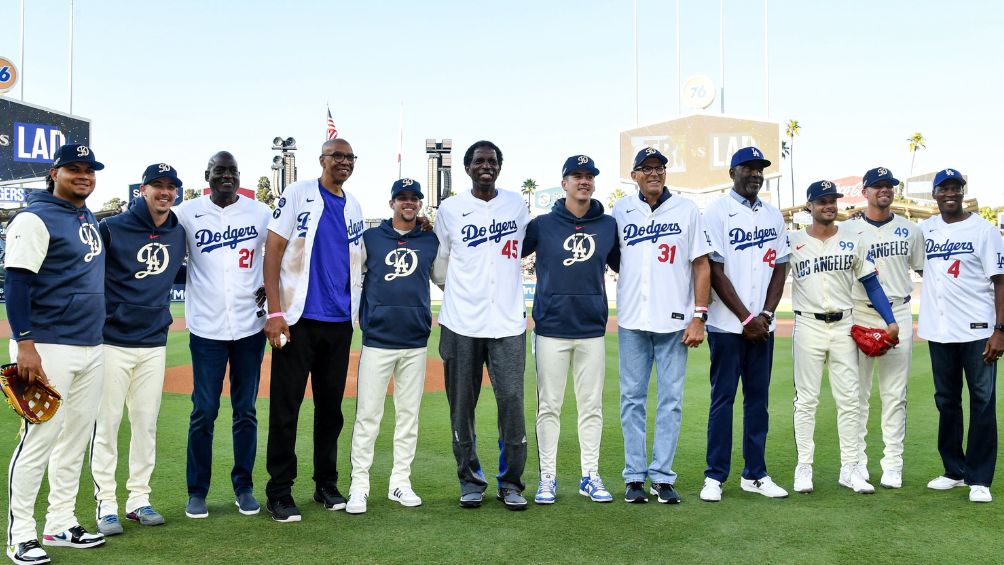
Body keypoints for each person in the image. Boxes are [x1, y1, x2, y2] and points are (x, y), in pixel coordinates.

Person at [4, 144, 107, 564]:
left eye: (89, 170)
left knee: (75, 439)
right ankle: (22, 534)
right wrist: (25, 343)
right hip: (46, 347)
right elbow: (16, 283)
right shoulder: (34, 217)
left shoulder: (86, 216)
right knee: (39, 438)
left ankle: (61, 521)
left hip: (90, 344)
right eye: (74, 169)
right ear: (54, 172)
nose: (83, 175)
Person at [262, 139, 365, 522]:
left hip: (339, 323)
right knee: (286, 408)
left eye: (349, 157)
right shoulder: (298, 193)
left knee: (330, 411)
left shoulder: (353, 204)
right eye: (336, 156)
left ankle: (326, 483)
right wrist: (275, 311)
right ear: (321, 159)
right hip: (298, 318)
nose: (343, 162)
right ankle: (279, 491)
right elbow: (272, 252)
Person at [432, 140, 531, 510]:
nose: (485, 166)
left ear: (499, 167)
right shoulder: (451, 209)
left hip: (507, 323)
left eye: (491, 161)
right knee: (462, 407)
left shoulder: (516, 205)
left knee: (511, 403)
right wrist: (460, 291)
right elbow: (440, 263)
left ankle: (511, 482)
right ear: (467, 167)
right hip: (461, 323)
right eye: (479, 161)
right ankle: (470, 479)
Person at [612, 147, 712, 504]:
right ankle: (635, 476)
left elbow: (702, 264)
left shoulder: (686, 210)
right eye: (646, 168)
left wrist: (700, 316)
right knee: (631, 400)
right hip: (632, 319)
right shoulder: (621, 209)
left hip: (675, 321)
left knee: (671, 401)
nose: (654, 173)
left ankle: (662, 477)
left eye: (660, 168)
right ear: (634, 174)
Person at [92, 164, 187, 535]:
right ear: (143, 189)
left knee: (145, 425)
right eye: (157, 186)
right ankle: (106, 503)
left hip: (153, 343)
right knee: (107, 425)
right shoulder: (112, 228)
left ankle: (139, 500)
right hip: (112, 341)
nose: (165, 192)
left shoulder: (178, 232)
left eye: (171, 187)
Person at [175, 151, 271, 519]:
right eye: (220, 171)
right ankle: (196, 491)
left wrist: (269, 283)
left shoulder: (259, 212)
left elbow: (280, 250)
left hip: (250, 326)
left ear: (238, 175)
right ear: (207, 175)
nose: (226, 176)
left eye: (231, 171)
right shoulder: (187, 212)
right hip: (206, 327)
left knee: (245, 411)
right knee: (204, 410)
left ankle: (243, 487)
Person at [788, 180, 899, 495]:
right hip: (807, 325)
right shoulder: (793, 241)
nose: (828, 206)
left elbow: (872, 284)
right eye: (822, 201)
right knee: (806, 400)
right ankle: (804, 468)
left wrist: (890, 321)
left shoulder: (853, 239)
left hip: (843, 324)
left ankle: (850, 469)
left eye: (832, 200)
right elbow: (771, 279)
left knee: (849, 401)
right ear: (809, 206)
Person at [522, 155, 619, 505]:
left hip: (592, 328)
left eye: (589, 176)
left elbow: (628, 266)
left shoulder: (608, 225)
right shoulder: (542, 225)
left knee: (591, 406)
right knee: (548, 406)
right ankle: (547, 477)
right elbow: (505, 255)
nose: (584, 181)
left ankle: (590, 475)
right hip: (550, 329)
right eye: (576, 176)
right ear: (564, 183)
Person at [345, 178, 444, 514]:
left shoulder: (430, 241)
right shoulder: (371, 238)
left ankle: (400, 483)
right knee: (368, 417)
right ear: (391, 203)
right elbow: (353, 276)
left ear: (420, 204)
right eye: (402, 198)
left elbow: (444, 277)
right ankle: (359, 486)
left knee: (408, 417)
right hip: (378, 341)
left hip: (414, 342)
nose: (409, 203)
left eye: (414, 198)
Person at [699, 147, 789, 502]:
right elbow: (715, 271)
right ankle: (715, 476)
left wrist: (766, 314)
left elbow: (779, 267)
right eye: (748, 168)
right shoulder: (717, 212)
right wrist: (745, 317)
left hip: (761, 328)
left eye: (759, 169)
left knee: (758, 401)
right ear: (732, 172)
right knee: (722, 400)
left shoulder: (773, 215)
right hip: (725, 325)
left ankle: (755, 473)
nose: (755, 173)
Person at [918, 168, 1004, 503]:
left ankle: (979, 478)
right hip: (939, 331)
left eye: (956, 188)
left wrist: (1000, 330)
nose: (950, 193)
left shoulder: (984, 230)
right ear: (935, 194)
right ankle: (954, 470)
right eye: (944, 189)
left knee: (982, 401)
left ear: (963, 192)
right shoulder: (925, 230)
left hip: (979, 330)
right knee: (947, 401)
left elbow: (1000, 281)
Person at [845, 167, 925, 490]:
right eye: (877, 186)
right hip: (859, 313)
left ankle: (893, 464)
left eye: (889, 186)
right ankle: (857, 462)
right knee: (857, 396)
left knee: (894, 395)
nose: (885, 190)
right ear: (864, 192)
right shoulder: (847, 230)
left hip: (899, 310)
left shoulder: (911, 230)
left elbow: (925, 272)